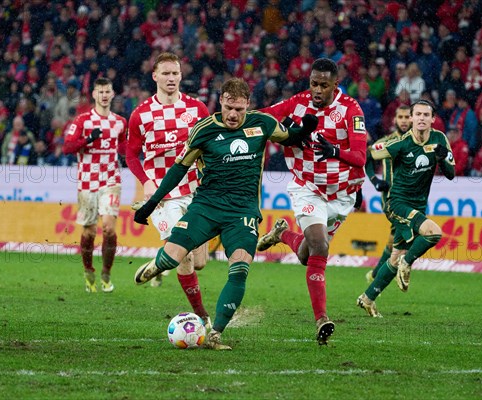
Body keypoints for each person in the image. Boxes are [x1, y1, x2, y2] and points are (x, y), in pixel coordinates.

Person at [131, 78, 317, 350]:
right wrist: (151, 203)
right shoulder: (203, 130)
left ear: (247, 106)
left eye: (239, 110)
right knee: (173, 259)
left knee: (239, 269)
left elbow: (291, 137)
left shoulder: (262, 123)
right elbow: (179, 169)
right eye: (229, 107)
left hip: (242, 212)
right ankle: (157, 265)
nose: (233, 115)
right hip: (206, 206)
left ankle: (215, 332)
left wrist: (305, 129)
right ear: (221, 102)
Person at [256, 58, 367, 345]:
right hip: (307, 188)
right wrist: (239, 117)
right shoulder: (298, 102)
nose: (317, 90)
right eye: (314, 84)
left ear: (335, 84)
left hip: (341, 194)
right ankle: (321, 319)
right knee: (320, 245)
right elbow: (266, 116)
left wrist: (334, 151)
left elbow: (360, 157)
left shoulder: (351, 110)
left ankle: (281, 234)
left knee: (307, 255)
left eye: (324, 85)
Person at [125, 52, 212, 325]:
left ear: (181, 75)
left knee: (200, 262)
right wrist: (147, 182)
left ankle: (160, 262)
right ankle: (202, 317)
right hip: (163, 196)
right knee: (184, 256)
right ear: (155, 76)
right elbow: (130, 156)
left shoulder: (198, 110)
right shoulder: (141, 114)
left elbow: (209, 147)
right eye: (165, 74)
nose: (171, 78)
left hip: (196, 191)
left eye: (175, 73)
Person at [356, 100, 455, 317]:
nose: (421, 118)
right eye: (417, 114)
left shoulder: (440, 139)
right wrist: (369, 181)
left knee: (395, 255)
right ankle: (407, 263)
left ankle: (367, 298)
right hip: (397, 204)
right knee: (433, 232)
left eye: (425, 114)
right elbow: (367, 155)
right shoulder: (399, 143)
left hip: (418, 204)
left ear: (432, 119)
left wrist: (441, 157)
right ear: (411, 119)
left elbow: (451, 173)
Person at [63, 77, 127, 293]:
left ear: (113, 93)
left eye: (107, 91)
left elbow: (125, 147)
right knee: (89, 232)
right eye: (100, 92)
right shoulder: (82, 121)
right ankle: (88, 270)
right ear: (94, 95)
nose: (104, 95)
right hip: (87, 182)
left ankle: (106, 273)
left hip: (111, 180)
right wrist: (88, 139)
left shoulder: (120, 122)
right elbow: (67, 148)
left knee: (109, 228)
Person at [364, 105, 412, 284]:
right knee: (409, 232)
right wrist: (375, 181)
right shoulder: (386, 142)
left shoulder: (417, 141)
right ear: (395, 120)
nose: (404, 121)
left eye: (407, 117)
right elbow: (366, 157)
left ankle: (376, 275)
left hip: (411, 197)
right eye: (401, 117)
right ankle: (400, 271)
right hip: (391, 197)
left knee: (395, 238)